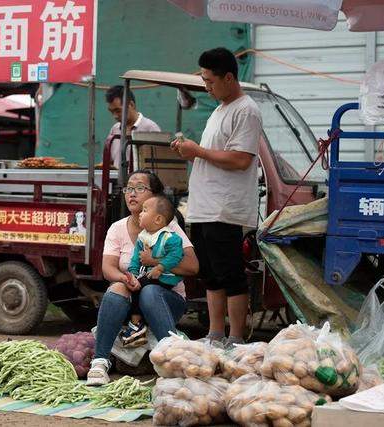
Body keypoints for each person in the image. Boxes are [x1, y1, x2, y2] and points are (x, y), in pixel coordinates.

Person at [171, 47, 262, 347]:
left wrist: (197, 151)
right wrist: (190, 152)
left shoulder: (246, 110)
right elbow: (214, 156)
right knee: (210, 274)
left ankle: (235, 338)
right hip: (205, 206)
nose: (206, 87)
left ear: (229, 77)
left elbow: (240, 160)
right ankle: (215, 334)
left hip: (225, 208)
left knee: (230, 274)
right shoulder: (220, 109)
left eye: (210, 81)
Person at [86, 170, 199, 386]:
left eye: (140, 188)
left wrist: (155, 261)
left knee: (150, 290)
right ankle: (99, 363)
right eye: (129, 188)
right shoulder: (117, 228)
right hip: (130, 301)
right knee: (117, 286)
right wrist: (126, 278)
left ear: (156, 197)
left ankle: (172, 359)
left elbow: (193, 266)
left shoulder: (169, 228)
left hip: (165, 301)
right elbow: (108, 268)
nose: (132, 194)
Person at [122, 195, 184, 348]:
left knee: (139, 288)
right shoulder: (143, 237)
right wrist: (133, 274)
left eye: (144, 210)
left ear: (157, 220)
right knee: (134, 285)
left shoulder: (170, 238)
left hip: (166, 279)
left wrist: (160, 267)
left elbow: (176, 257)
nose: (140, 214)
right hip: (149, 277)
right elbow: (136, 258)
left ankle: (136, 323)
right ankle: (137, 325)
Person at [105, 85, 161, 169]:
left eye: (118, 110)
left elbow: (158, 166)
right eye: (111, 111)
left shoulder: (150, 128)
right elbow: (110, 161)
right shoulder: (115, 129)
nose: (115, 116)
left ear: (131, 104)